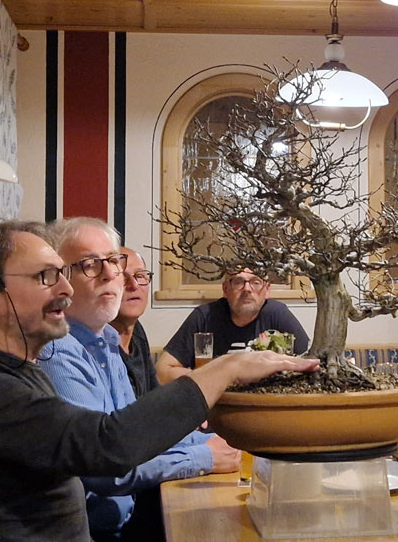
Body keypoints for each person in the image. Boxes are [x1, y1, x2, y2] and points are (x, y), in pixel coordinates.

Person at [0, 220, 317, 541]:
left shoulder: (8, 368)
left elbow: (119, 432)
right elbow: (108, 447)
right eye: (46, 276)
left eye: (63, 274)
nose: (66, 288)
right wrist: (225, 369)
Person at [40, 218, 243, 541]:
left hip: (131, 515)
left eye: (114, 261)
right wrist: (203, 457)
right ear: (58, 280)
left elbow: (139, 437)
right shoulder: (57, 353)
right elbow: (104, 470)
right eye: (90, 264)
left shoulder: (107, 339)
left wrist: (218, 441)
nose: (110, 274)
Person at [157, 269, 309, 382]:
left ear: (267, 290)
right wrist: (212, 376)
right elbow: (162, 371)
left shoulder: (277, 314)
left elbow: (308, 361)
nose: (247, 289)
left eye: (256, 282)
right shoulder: (204, 317)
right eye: (238, 282)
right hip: (215, 405)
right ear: (225, 289)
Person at [110, 246, 159, 398]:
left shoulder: (137, 330)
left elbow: (154, 396)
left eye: (140, 276)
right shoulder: (97, 342)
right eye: (122, 278)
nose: (134, 284)